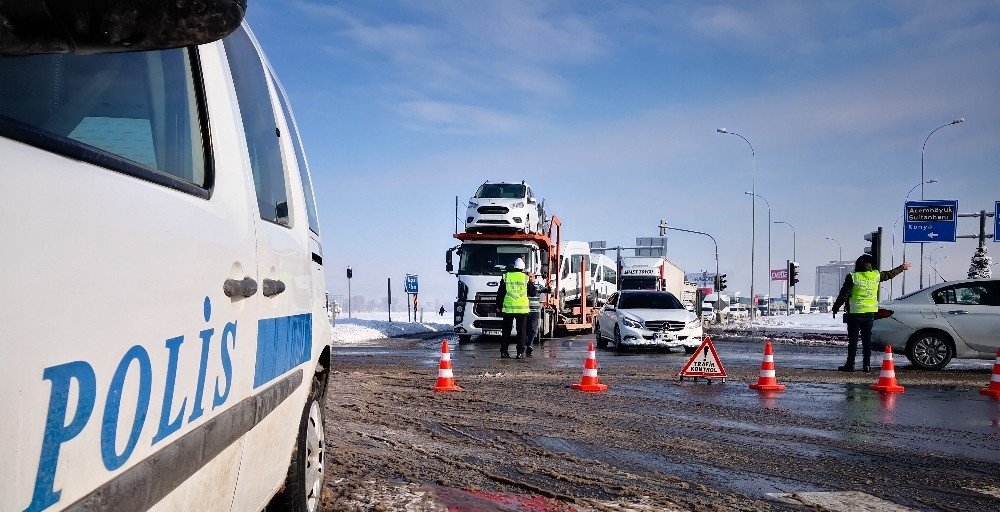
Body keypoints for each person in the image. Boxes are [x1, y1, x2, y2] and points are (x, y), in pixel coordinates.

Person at [831, 254, 911, 372]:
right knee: (867, 340)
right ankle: (866, 365)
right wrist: (902, 267)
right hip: (869, 313)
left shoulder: (852, 276)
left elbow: (844, 294)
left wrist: (835, 308)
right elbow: (890, 274)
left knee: (853, 340)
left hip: (855, 313)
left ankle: (850, 364)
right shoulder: (876, 275)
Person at [495, 257, 529, 358]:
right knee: (521, 331)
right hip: (522, 309)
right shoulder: (526, 278)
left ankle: (504, 351)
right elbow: (532, 292)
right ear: (522, 268)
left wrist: (498, 306)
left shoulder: (506, 276)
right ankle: (520, 353)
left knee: (506, 331)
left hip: (508, 308)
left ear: (514, 267)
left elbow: (500, 293)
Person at [523, 273, 550, 357]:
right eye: (528, 277)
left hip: (535, 312)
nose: (530, 278)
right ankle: (525, 344)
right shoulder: (523, 287)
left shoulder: (538, 286)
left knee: (533, 329)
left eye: (531, 277)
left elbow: (547, 290)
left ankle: (529, 345)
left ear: (534, 278)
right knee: (525, 329)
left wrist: (549, 285)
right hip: (525, 311)